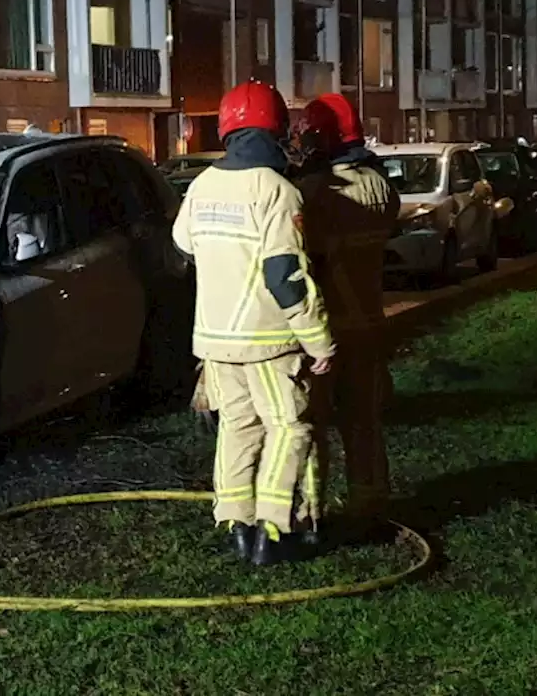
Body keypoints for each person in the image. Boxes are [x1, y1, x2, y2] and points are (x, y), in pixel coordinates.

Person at [172, 80, 335, 566]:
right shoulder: (278, 191)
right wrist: (319, 339)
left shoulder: (202, 185)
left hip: (215, 342)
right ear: (277, 130)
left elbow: (183, 246)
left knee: (238, 429)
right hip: (267, 341)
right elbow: (285, 276)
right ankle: (273, 525)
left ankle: (236, 524)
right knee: (290, 428)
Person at [293, 93, 401, 525]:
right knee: (364, 423)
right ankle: (370, 502)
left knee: (311, 423)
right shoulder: (380, 187)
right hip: (369, 322)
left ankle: (310, 511)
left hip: (325, 330)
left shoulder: (313, 192)